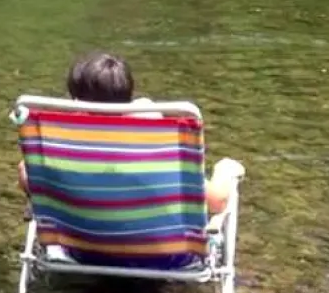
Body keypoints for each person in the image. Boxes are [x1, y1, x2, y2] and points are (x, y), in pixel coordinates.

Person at [20, 53, 244, 215]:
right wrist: (226, 172)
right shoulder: (152, 144)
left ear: (76, 99)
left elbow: (24, 172)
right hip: (165, 256)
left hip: (79, 249)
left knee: (27, 169)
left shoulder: (65, 144)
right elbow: (215, 203)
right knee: (227, 168)